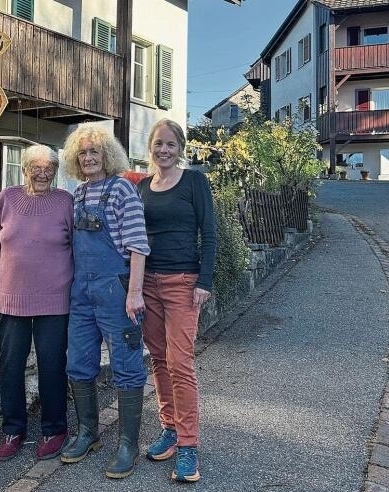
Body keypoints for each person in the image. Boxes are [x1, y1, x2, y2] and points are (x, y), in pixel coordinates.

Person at [59, 123, 150, 479]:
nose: (88, 158)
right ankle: (88, 432)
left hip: (116, 289)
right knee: (78, 362)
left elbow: (138, 245)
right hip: (82, 292)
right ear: (75, 160)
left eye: (94, 151)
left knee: (127, 365)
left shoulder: (122, 190)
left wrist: (135, 292)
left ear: (107, 155)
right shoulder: (79, 194)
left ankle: (129, 444)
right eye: (82, 153)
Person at [0, 144, 74, 462]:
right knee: (11, 367)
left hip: (55, 301)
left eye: (49, 166)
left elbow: (77, 249)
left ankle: (54, 428)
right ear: (24, 169)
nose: (43, 172)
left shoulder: (65, 202)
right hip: (10, 300)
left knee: (52, 367)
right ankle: (13, 429)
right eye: (36, 166)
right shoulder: (7, 198)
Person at [137, 118, 216, 483]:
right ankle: (169, 428)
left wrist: (204, 281)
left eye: (170, 144)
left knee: (180, 362)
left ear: (180, 147)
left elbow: (209, 233)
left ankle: (188, 445)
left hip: (183, 282)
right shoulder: (143, 187)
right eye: (158, 144)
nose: (164, 150)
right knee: (158, 359)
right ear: (150, 148)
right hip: (149, 282)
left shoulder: (194, 181)